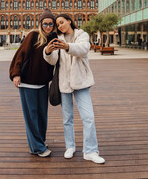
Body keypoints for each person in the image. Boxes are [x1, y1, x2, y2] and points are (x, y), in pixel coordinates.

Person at [43, 14, 105, 164]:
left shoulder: (81, 35)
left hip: (81, 82)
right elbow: (53, 61)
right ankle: (70, 146)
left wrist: (68, 47)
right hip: (64, 83)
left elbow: (83, 49)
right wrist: (48, 51)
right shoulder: (58, 39)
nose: (60, 26)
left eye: (62, 22)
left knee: (88, 117)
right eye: (58, 24)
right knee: (67, 119)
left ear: (69, 21)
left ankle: (90, 151)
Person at [9, 8, 56, 157]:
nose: (48, 27)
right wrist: (16, 74)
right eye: (45, 24)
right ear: (40, 24)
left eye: (50, 24)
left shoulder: (52, 39)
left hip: (42, 84)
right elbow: (20, 54)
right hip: (28, 82)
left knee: (42, 115)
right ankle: (37, 148)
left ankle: (40, 140)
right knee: (32, 115)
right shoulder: (33, 35)